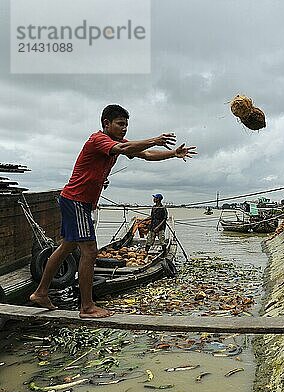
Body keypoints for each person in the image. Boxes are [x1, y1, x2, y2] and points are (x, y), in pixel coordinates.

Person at [29, 104, 197, 318]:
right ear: (106, 124)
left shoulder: (118, 142)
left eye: (126, 125)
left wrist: (173, 153)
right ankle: (87, 307)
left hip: (77, 201)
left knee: (66, 247)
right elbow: (125, 149)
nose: (124, 129)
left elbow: (145, 154)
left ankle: (41, 293)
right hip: (76, 200)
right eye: (120, 124)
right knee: (89, 251)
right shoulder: (98, 140)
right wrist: (155, 138)